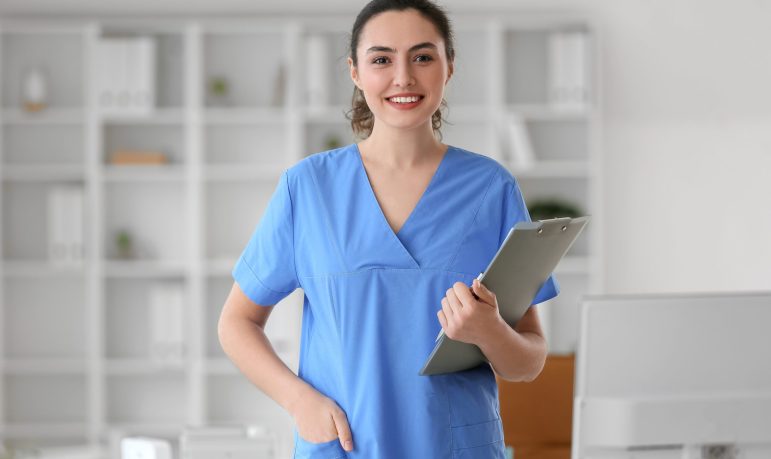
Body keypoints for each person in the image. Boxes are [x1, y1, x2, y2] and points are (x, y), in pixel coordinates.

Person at [217, 0, 559, 457]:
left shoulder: (490, 188)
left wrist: (490, 331)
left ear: (449, 67)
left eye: (422, 56)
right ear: (355, 72)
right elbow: (236, 323)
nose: (403, 77)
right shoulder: (308, 189)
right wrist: (298, 400)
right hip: (342, 445)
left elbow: (529, 360)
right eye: (381, 59)